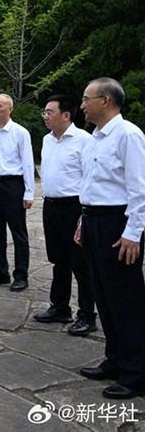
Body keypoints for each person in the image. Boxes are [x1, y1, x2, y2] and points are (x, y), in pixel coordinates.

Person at [76, 78, 145, 400]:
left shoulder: (128, 135)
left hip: (117, 224)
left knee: (126, 300)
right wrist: (82, 220)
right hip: (93, 221)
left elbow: (139, 189)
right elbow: (92, 184)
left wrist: (133, 233)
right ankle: (115, 359)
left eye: (86, 99)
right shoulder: (95, 137)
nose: (81, 105)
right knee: (103, 294)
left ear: (104, 100)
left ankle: (135, 373)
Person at [33, 95, 97, 336]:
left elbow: (90, 178)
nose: (45, 116)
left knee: (80, 263)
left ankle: (87, 314)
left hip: (74, 207)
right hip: (51, 206)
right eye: (44, 112)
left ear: (66, 115)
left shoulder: (84, 141)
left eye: (49, 112)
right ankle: (59, 307)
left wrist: (83, 214)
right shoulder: (47, 140)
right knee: (58, 260)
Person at [0, 93, 35, 292]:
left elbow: (28, 163)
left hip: (13, 185)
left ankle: (21, 275)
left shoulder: (20, 133)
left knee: (18, 232)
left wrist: (29, 192)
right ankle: (1, 271)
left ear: (10, 109)